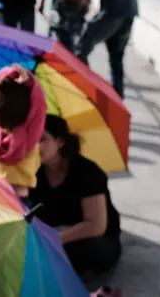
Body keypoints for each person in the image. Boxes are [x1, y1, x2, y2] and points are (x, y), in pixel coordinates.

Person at [29, 115, 122, 275]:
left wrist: (54, 239)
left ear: (60, 142)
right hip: (53, 234)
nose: (35, 146)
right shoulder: (32, 170)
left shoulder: (87, 171)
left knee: (95, 251)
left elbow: (96, 226)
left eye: (42, 139)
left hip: (92, 239)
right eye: (32, 138)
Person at [0, 64, 46, 201]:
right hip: (19, 199)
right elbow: (40, 105)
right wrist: (32, 81)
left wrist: (7, 74)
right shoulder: (30, 137)